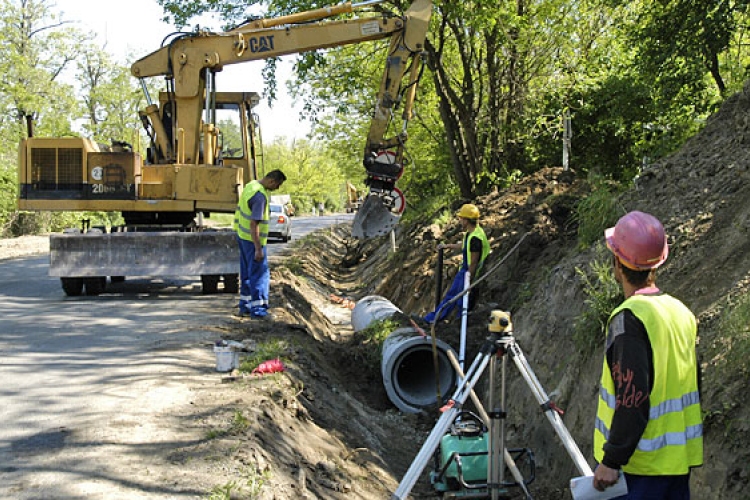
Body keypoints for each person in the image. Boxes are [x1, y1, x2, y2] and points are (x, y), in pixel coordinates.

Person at [592, 210, 703, 498]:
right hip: (676, 466)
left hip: (638, 471)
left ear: (618, 263)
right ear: (658, 263)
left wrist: (611, 460)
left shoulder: (629, 319)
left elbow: (633, 397)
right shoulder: (682, 312)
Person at [422, 203, 490, 324]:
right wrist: (447, 246)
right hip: (464, 271)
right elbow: (464, 245)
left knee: (458, 300)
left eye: (461, 219)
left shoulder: (476, 238)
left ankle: (436, 321)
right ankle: (437, 320)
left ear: (466, 220)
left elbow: (474, 262)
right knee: (453, 297)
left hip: (468, 272)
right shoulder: (472, 233)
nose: (460, 221)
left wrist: (468, 280)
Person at [233, 169, 287, 318]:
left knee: (247, 274)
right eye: (277, 185)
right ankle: (259, 310)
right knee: (259, 275)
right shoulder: (260, 197)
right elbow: (254, 224)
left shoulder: (251, 186)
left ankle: (245, 305)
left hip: (243, 237)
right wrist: (258, 249)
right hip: (252, 241)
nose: (277, 188)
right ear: (271, 181)